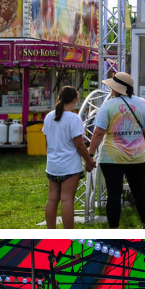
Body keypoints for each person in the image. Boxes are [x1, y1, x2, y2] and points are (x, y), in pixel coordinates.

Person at [88, 72, 145, 229]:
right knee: (140, 192)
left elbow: (98, 132)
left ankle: (114, 231)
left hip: (111, 157)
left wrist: (90, 154)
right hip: (138, 156)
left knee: (113, 194)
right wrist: (138, 138)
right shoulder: (143, 103)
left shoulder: (108, 105)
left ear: (117, 88)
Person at [44, 86, 96, 229]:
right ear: (74, 101)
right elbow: (79, 145)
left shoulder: (49, 116)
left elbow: (47, 142)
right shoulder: (74, 118)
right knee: (67, 200)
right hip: (69, 166)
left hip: (52, 165)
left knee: (52, 199)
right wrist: (89, 161)